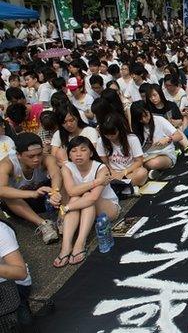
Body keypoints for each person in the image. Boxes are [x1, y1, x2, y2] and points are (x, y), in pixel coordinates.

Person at [55, 136, 118, 268]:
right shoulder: (67, 167)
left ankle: (80, 243)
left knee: (87, 197)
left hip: (107, 207)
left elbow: (94, 197)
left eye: (83, 150)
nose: (78, 154)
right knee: (77, 197)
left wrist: (66, 208)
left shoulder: (101, 168)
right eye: (73, 151)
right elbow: (71, 191)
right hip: (81, 205)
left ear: (90, 153)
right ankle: (66, 247)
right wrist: (96, 181)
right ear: (69, 155)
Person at [0, 133, 62, 244]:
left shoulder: (47, 158)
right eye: (31, 156)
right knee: (7, 196)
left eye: (39, 154)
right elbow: (1, 189)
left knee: (65, 173)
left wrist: (55, 191)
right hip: (22, 201)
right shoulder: (7, 164)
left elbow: (56, 174)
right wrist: (33, 193)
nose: (36, 159)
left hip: (45, 197)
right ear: (18, 155)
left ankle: (63, 217)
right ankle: (44, 225)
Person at [131, 101, 183, 180]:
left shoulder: (159, 120)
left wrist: (168, 139)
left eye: (146, 115)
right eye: (140, 119)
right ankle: (151, 172)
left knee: (154, 163)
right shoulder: (136, 127)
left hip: (164, 154)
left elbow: (179, 136)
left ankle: (149, 171)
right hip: (145, 157)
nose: (144, 120)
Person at [97, 114, 148, 188]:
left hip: (129, 172)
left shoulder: (131, 139)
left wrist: (123, 173)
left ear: (119, 129)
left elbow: (139, 161)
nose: (110, 137)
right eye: (107, 135)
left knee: (142, 172)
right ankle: (125, 186)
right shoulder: (101, 141)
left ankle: (120, 187)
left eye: (113, 134)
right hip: (111, 173)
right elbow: (104, 163)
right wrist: (112, 172)